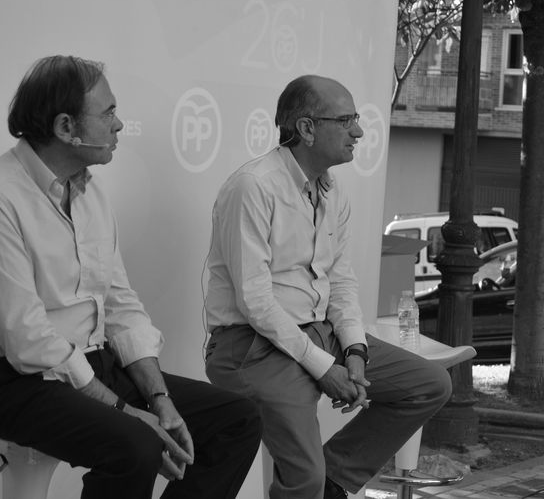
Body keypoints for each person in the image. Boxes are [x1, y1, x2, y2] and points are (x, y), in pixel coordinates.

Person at [0, 55, 263, 499]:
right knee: (136, 446)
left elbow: (120, 305)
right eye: (108, 113)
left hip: (93, 364)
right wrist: (124, 411)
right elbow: (27, 340)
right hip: (21, 379)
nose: (119, 125)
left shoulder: (89, 192)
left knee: (236, 419)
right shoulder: (5, 194)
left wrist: (160, 401)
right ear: (65, 127)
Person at [204, 75, 453, 499]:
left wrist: (355, 350)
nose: (358, 131)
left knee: (429, 385)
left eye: (356, 119)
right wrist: (324, 367)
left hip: (318, 334)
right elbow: (255, 302)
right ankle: (316, 484)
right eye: (346, 120)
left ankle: (331, 483)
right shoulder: (253, 186)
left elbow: (340, 282)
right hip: (252, 346)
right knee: (302, 476)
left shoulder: (332, 192)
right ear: (306, 128)